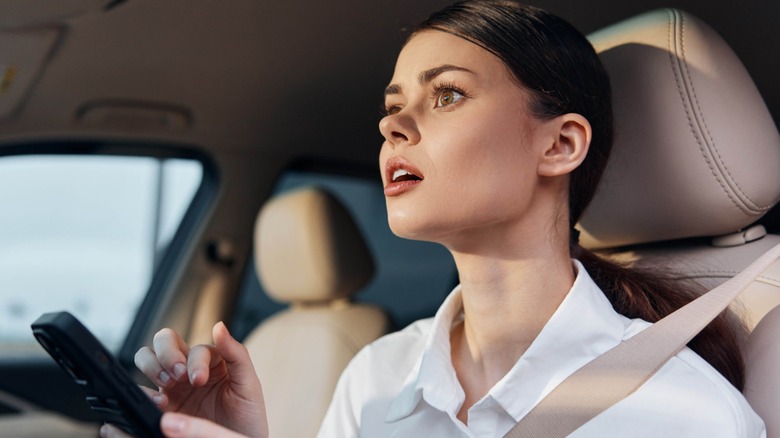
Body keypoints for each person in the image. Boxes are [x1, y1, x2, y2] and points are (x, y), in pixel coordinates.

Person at [102, 1, 766, 437]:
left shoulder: (684, 412)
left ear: (560, 144)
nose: (392, 124)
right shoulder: (377, 375)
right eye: (392, 106)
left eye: (446, 94)